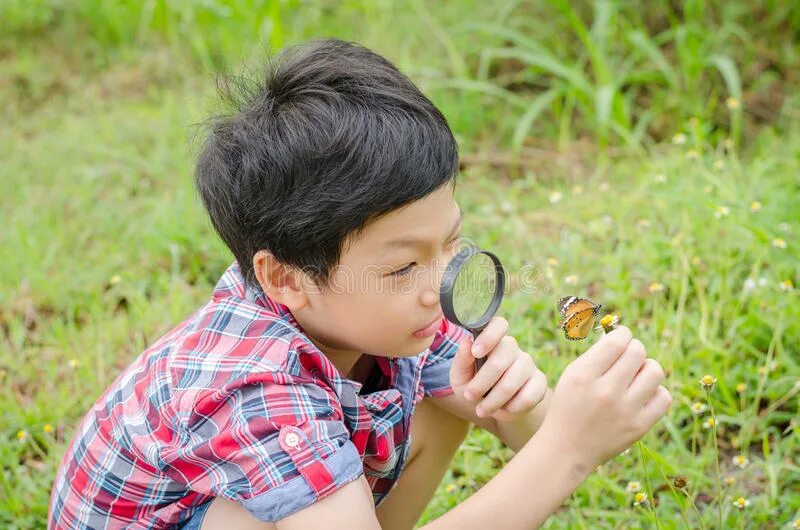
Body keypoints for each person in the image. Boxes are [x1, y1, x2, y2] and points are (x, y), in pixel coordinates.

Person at [48, 38, 671, 530]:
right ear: (286, 277)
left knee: (442, 402)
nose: (438, 287)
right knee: (244, 517)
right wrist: (567, 447)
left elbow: (523, 437)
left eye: (451, 244)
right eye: (402, 266)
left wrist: (523, 407)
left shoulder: (388, 310)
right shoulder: (255, 388)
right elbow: (550, 455)